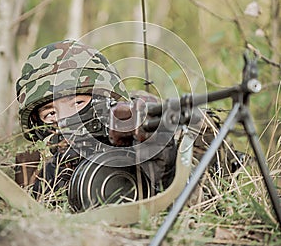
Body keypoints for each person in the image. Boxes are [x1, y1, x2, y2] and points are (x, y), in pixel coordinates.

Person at [15, 39, 176, 208]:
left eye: (78, 103)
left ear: (105, 102)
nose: (64, 119)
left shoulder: (152, 128)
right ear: (37, 126)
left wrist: (165, 170)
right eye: (51, 114)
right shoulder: (38, 171)